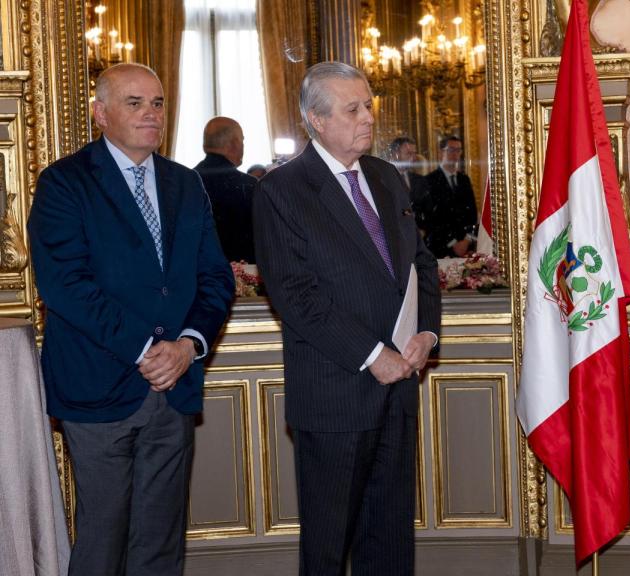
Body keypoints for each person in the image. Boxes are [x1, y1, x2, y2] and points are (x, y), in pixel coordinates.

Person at [27, 63, 235, 576]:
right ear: (101, 114)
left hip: (175, 388)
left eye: (158, 103)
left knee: (161, 544)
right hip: (97, 386)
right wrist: (147, 350)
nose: (151, 113)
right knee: (103, 540)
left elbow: (215, 278)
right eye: (135, 102)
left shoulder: (186, 184)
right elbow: (65, 286)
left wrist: (187, 345)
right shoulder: (64, 183)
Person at [252, 62, 441, 575]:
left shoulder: (383, 176)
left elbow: (418, 264)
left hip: (398, 387)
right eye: (352, 109)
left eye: (368, 105)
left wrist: (426, 331)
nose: (367, 118)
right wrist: (373, 355)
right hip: (335, 394)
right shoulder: (282, 191)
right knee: (330, 545)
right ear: (315, 119)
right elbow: (296, 295)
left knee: (390, 538)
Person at [195, 116, 257, 263]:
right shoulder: (249, 185)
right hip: (243, 275)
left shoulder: (186, 181)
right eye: (242, 140)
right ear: (234, 143)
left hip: (197, 275)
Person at [413, 134, 478, 257]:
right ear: (441, 152)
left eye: (458, 150)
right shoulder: (428, 181)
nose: (455, 154)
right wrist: (453, 243)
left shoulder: (464, 180)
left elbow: (472, 214)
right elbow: (429, 219)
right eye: (451, 150)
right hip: (440, 248)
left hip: (466, 247)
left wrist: (467, 240)